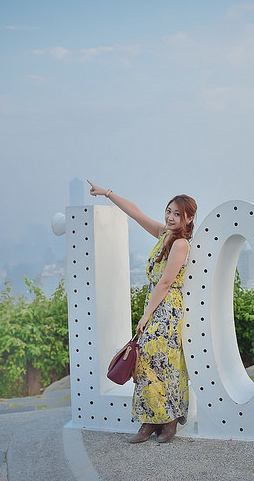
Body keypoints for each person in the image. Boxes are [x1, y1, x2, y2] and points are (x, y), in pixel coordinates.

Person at [87, 180, 196, 444]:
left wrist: (146, 315)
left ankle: (167, 421)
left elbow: (166, 282)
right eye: (168, 211)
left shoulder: (180, 243)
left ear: (189, 218)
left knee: (156, 362)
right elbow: (135, 213)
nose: (170, 217)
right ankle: (150, 421)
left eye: (177, 214)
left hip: (166, 310)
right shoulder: (164, 234)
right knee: (147, 363)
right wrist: (108, 194)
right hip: (156, 306)